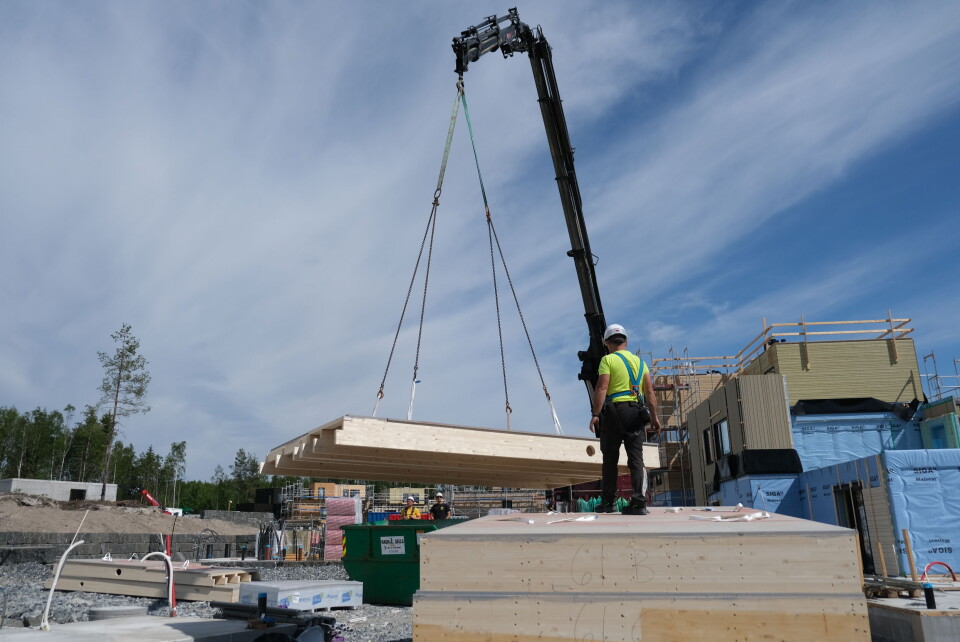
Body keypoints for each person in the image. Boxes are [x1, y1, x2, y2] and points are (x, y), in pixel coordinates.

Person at [589, 323, 661, 515]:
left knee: (610, 459)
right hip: (636, 413)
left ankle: (609, 503)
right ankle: (639, 503)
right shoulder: (640, 363)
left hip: (614, 413)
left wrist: (595, 414)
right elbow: (650, 392)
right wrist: (654, 418)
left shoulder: (608, 360)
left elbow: (602, 388)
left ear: (606, 343)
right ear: (626, 342)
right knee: (636, 459)